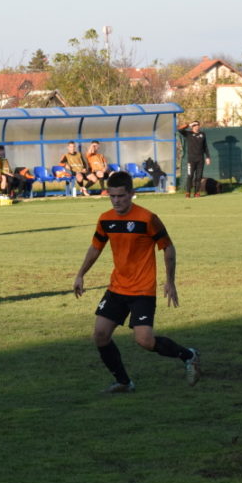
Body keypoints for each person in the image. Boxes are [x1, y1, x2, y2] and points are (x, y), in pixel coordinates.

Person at [72, 171, 200, 393]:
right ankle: (123, 382)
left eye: (121, 196)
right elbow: (96, 247)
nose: (116, 201)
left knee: (144, 341)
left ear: (131, 193)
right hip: (117, 288)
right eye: (112, 196)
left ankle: (188, 355)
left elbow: (168, 247)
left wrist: (170, 281)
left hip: (142, 290)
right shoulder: (106, 219)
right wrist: (80, 273)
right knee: (100, 336)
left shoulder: (147, 218)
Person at [177, 121, 211, 198]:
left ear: (199, 126)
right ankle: (188, 193)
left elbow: (205, 147)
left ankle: (197, 193)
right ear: (192, 127)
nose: (196, 126)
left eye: (197, 125)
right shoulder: (188, 134)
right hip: (191, 160)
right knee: (190, 176)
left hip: (200, 159)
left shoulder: (202, 134)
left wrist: (208, 157)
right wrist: (188, 124)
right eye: (194, 125)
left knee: (198, 177)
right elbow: (179, 130)